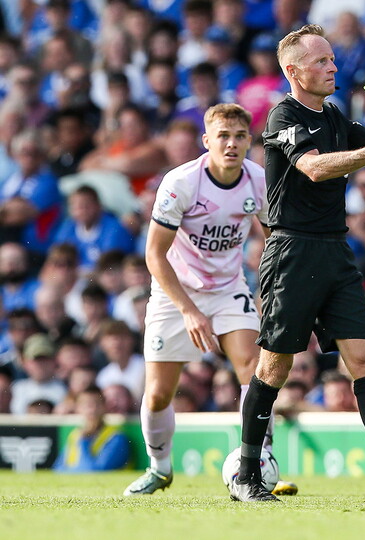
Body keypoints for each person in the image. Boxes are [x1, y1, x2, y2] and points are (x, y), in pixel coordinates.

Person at [231, 24, 365, 503]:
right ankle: (247, 473)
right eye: (321, 62)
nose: (333, 67)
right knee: (275, 365)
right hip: (291, 250)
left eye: (333, 60)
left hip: (335, 249)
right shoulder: (283, 115)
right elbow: (313, 166)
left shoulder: (333, 116)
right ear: (293, 71)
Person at [122, 104, 296, 498]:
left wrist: (273, 289)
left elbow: (275, 239)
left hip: (228, 287)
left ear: (249, 141)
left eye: (239, 137)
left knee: (255, 369)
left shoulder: (259, 180)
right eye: (223, 136)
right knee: (159, 394)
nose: (231, 144)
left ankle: (258, 463)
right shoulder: (180, 183)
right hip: (175, 291)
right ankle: (159, 469)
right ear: (207, 141)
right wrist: (189, 310)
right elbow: (154, 255)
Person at [54, 385, 131, 472]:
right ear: (78, 408)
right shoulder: (75, 435)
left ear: (105, 406)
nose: (92, 410)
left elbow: (95, 471)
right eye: (87, 405)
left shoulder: (116, 438)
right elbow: (58, 469)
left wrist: (84, 442)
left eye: (97, 404)